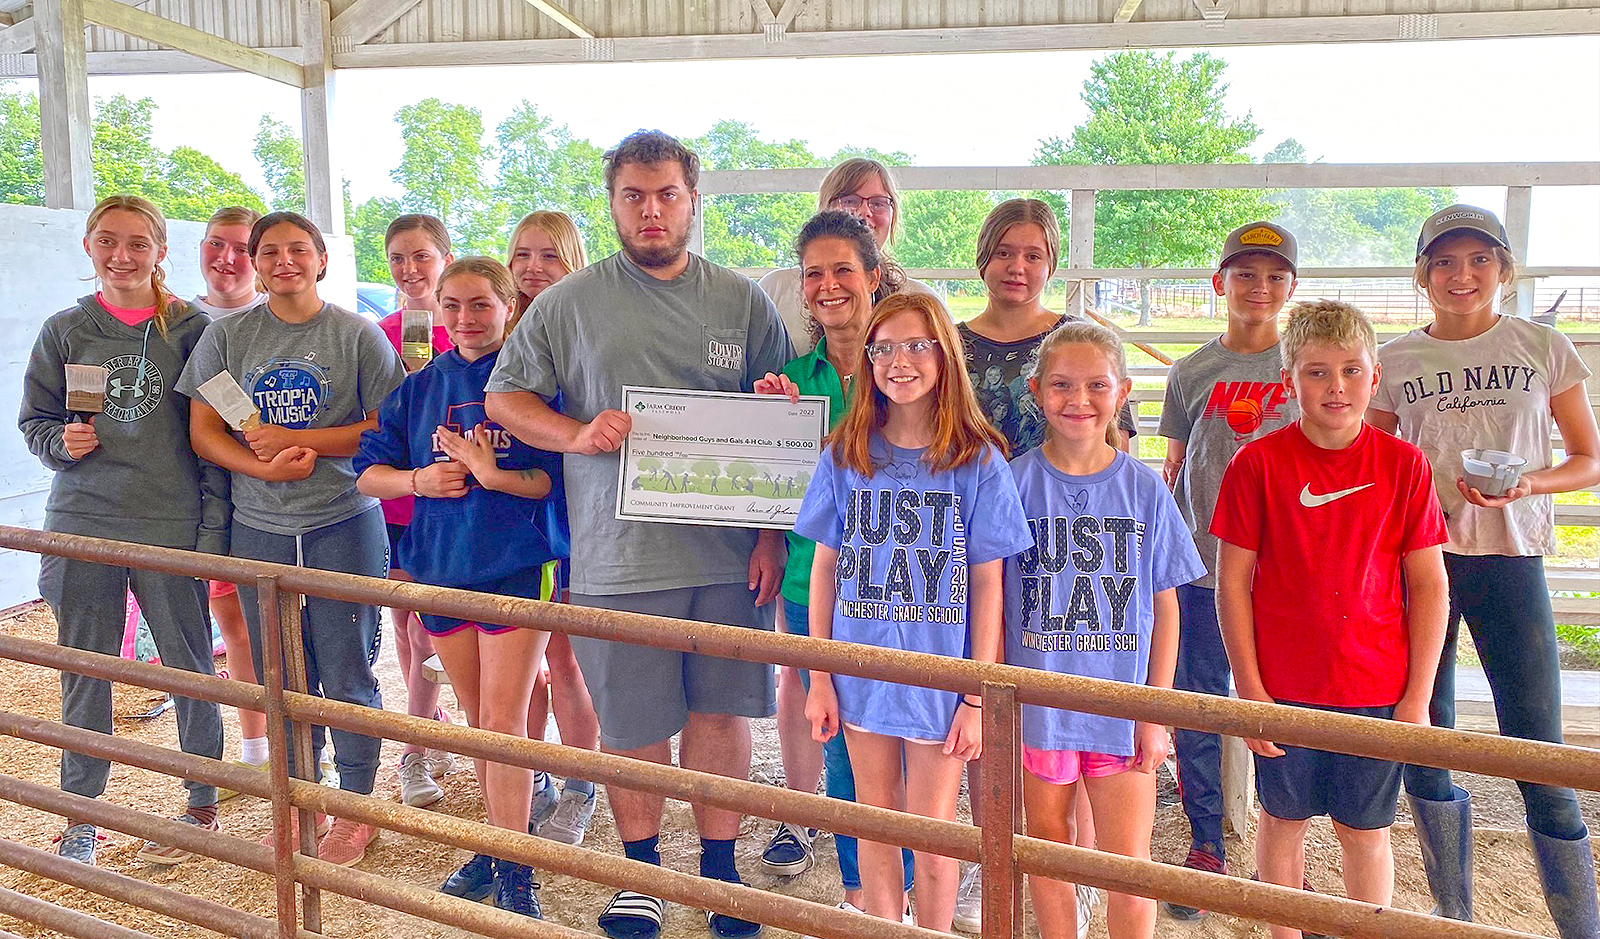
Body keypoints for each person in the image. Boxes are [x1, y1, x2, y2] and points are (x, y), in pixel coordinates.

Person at [484, 130, 789, 939]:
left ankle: (721, 872)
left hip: (728, 555)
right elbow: (505, 398)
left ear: (693, 199)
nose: (651, 211)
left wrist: (771, 535)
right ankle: (642, 871)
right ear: (613, 203)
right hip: (618, 553)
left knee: (722, 714)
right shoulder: (567, 303)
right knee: (634, 724)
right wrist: (574, 433)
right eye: (633, 196)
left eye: (666, 194)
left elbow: (781, 422)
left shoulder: (742, 300)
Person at [1369, 205, 1600, 936]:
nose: (1460, 275)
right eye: (1443, 262)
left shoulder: (1543, 345)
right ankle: (1453, 914)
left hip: (1510, 559)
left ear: (1503, 268)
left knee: (1541, 754)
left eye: (1477, 260)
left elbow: (1589, 457)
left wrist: (1529, 483)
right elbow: (1370, 461)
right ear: (1423, 274)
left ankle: (1578, 924)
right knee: (1424, 740)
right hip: (1421, 565)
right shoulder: (1398, 359)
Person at [794, 292, 1033, 932]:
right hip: (860, 671)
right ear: (868, 361)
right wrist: (820, 675)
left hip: (941, 679)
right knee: (875, 821)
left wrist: (979, 695)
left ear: (944, 357)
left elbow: (991, 585)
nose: (900, 361)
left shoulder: (978, 459)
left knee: (933, 834)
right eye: (884, 348)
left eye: (917, 345)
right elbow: (825, 568)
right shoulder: (849, 452)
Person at [1212, 300, 1449, 939]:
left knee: (1366, 829)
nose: (1335, 387)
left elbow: (1428, 583)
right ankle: (1284, 930)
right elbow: (1232, 583)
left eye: (1350, 371)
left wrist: (1417, 698)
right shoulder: (1256, 464)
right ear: (1289, 381)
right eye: (1316, 372)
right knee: (1282, 821)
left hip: (1376, 684)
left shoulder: (1404, 465)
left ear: (1375, 379)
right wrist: (1251, 690)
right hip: (1285, 688)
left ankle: (1368, 930)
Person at [179, 210, 406, 868]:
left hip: (343, 515)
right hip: (261, 522)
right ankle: (298, 799)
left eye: (298, 249)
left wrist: (305, 442)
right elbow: (205, 430)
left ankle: (356, 808)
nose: (285, 260)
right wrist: (262, 464)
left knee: (345, 665)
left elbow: (384, 425)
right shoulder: (229, 339)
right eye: (270, 250)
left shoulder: (357, 335)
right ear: (255, 262)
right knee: (279, 670)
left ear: (321, 260)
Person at [20, 194, 225, 866]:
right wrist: (60, 443)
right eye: (107, 241)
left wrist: (214, 527)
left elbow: (226, 420)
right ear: (88, 247)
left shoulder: (191, 328)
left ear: (161, 250)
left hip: (168, 521)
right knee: (87, 666)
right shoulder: (65, 329)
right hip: (84, 519)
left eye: (138, 242)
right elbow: (36, 421)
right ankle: (83, 813)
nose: (122, 255)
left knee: (190, 665)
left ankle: (202, 799)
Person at [356, 256, 562, 918]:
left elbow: (549, 482)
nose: (466, 318)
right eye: (453, 305)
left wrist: (488, 470)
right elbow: (367, 473)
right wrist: (421, 480)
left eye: (481, 304)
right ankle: (503, 842)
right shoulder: (419, 386)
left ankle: (515, 867)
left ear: (508, 306)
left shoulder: (529, 384)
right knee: (479, 727)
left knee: (503, 725)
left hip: (513, 566)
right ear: (438, 310)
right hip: (440, 567)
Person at [952, 198, 1136, 934]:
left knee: (1075, 708)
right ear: (982, 258)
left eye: (1033, 253)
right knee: (993, 703)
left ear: (1051, 262)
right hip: (977, 537)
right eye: (1005, 251)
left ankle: (1080, 872)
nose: (1018, 266)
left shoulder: (1077, 340)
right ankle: (988, 843)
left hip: (1073, 550)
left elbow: (1117, 442)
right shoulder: (956, 345)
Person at [1005, 320, 1204, 939]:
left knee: (1128, 865)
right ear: (1037, 391)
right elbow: (990, 597)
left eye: (1096, 385)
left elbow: (1166, 605)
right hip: (1041, 706)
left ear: (1121, 395)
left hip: (1121, 707)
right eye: (1062, 385)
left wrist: (1156, 709)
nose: (1078, 400)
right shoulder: (1014, 482)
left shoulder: (1144, 487)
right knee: (1047, 846)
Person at [752, 210, 914, 915]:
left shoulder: (912, 372)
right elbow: (773, 487)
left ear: (874, 275)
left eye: (843, 269)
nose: (827, 285)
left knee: (910, 741)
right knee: (844, 746)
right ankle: (864, 895)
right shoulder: (790, 380)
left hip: (905, 585)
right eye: (814, 273)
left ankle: (907, 891)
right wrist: (776, 430)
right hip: (811, 582)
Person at [1157, 221, 1300, 919]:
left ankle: (1288, 847)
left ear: (1292, 288)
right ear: (1220, 283)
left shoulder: (1302, 367)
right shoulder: (1191, 373)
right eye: (1245, 274)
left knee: (1288, 703)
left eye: (1275, 276)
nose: (1259, 288)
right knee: (1202, 705)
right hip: (1205, 568)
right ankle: (1206, 840)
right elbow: (1177, 467)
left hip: (1287, 574)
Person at [503, 209, 603, 846]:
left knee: (565, 659)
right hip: (508, 524)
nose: (534, 269)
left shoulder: (585, 330)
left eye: (551, 257)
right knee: (521, 661)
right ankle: (531, 772)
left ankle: (579, 781)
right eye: (523, 256)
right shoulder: (499, 331)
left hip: (569, 515)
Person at [191, 205, 271, 801]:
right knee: (230, 622)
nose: (227, 258)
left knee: (285, 626)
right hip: (200, 494)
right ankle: (252, 746)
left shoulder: (275, 320)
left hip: (265, 494)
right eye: (216, 244)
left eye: (242, 247)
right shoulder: (179, 320)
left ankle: (298, 746)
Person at [378, 213, 458, 809]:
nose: (410, 270)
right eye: (399, 259)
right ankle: (418, 743)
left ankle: (421, 734)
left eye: (421, 257)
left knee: (430, 624)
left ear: (445, 259)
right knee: (408, 626)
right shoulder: (378, 333)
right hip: (404, 499)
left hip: (458, 502)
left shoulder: (470, 325)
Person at [758, 157, 937, 356]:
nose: (864, 212)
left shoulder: (921, 299)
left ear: (873, 279)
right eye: (850, 201)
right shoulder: (774, 290)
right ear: (825, 209)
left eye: (878, 203)